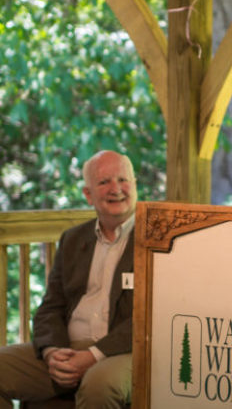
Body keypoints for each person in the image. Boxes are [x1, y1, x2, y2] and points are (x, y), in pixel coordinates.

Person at [0, 150, 137, 409]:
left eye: (123, 179)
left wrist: (93, 355)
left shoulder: (156, 240)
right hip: (68, 347)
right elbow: (51, 307)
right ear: (88, 194)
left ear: (135, 184)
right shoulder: (73, 239)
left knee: (99, 385)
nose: (116, 189)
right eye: (104, 182)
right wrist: (52, 351)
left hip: (123, 350)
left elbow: (152, 317)